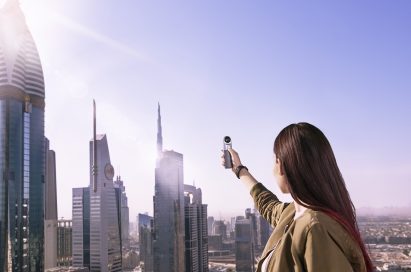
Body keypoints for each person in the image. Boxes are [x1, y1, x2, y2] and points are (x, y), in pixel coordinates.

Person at [221, 122, 373, 272]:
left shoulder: (316, 229)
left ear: (280, 165)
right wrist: (240, 170)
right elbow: (267, 203)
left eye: (274, 161)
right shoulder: (294, 213)